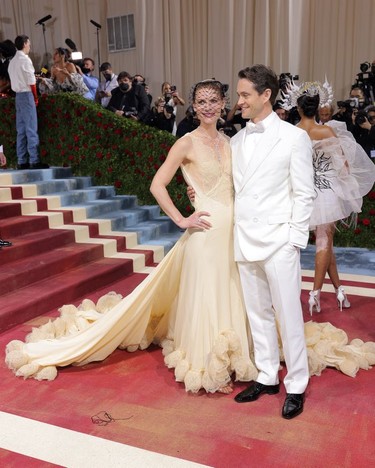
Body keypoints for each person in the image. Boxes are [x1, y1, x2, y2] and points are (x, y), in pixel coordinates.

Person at [5, 79, 258, 394]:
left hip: (232, 235)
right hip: (203, 236)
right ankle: (208, 357)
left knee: (229, 291)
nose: (207, 107)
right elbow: (157, 184)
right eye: (201, 101)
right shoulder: (186, 143)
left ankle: (233, 353)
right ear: (193, 106)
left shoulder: (230, 142)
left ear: (224, 103)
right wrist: (181, 218)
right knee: (207, 296)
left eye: (213, 101)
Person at [228, 65, 316, 419]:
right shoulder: (235, 141)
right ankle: (267, 375)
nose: (239, 101)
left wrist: (294, 241)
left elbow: (304, 193)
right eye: (238, 94)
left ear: (266, 95)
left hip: (279, 241)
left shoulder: (294, 138)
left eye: (245, 94)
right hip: (245, 238)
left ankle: (296, 384)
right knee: (258, 314)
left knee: (288, 315)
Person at [283, 81, 375, 314]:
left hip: (302, 194)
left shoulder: (292, 133)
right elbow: (343, 167)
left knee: (326, 242)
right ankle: (315, 293)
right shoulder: (326, 131)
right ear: (318, 109)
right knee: (324, 241)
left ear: (299, 108)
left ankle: (339, 289)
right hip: (327, 193)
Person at [7, 35, 48, 170]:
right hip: (26, 94)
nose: (30, 46)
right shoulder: (25, 60)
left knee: (21, 129)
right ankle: (34, 160)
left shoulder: (12, 61)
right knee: (31, 128)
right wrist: (35, 97)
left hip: (18, 96)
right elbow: (31, 82)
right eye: (29, 44)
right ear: (25, 44)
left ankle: (22, 160)